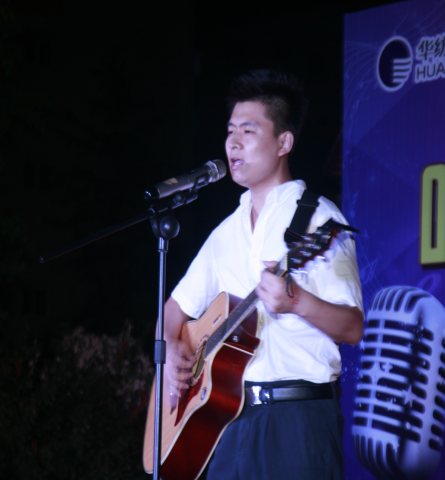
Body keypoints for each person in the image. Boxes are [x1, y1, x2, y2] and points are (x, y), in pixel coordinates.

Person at [163, 69, 363, 479]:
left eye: (248, 131)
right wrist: (169, 348)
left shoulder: (319, 219)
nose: (233, 142)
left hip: (297, 419)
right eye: (230, 131)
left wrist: (296, 301)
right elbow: (173, 309)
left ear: (284, 143)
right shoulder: (225, 232)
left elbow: (353, 327)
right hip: (226, 423)